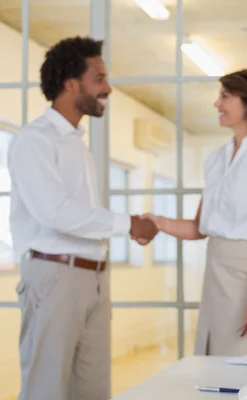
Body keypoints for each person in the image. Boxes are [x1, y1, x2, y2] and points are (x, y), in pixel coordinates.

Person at [8, 36, 158, 400]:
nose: (107, 88)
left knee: (93, 390)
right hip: (55, 277)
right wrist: (127, 224)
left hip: (93, 278)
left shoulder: (76, 143)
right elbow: (54, 211)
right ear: (70, 83)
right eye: (99, 78)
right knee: (47, 389)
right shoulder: (34, 140)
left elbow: (80, 215)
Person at [143, 68, 247, 356]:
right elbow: (201, 227)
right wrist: (158, 222)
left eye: (225, 97)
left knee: (244, 367)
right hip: (216, 272)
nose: (217, 104)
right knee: (212, 363)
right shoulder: (216, 159)